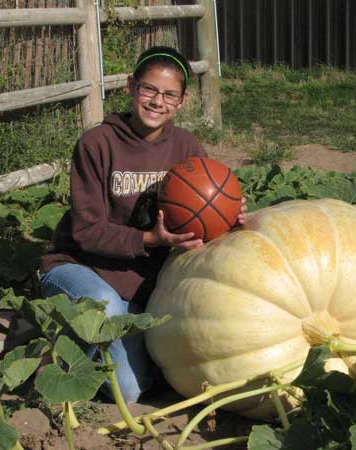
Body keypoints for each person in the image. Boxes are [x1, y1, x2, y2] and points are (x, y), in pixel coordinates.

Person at [39, 46, 247, 403]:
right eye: (149, 89)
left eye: (169, 94)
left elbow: (203, 208)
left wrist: (228, 215)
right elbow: (86, 232)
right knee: (104, 303)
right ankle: (54, 362)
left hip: (141, 280)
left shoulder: (186, 146)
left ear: (181, 102)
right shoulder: (97, 143)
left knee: (132, 391)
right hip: (79, 267)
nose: (156, 102)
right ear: (130, 87)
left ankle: (103, 340)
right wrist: (151, 238)